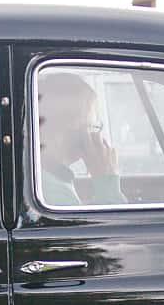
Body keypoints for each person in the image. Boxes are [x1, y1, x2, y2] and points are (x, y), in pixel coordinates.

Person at [34, 70, 124, 206]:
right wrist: (107, 181)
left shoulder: (47, 179)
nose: (96, 134)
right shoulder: (51, 192)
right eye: (93, 126)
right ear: (67, 127)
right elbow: (113, 226)